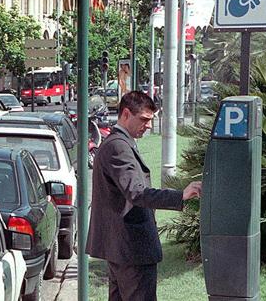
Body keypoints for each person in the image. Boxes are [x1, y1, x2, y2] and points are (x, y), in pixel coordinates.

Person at [86, 91, 202, 301]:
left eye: (150, 120)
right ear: (126, 114)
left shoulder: (118, 142)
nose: (148, 126)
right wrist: (180, 196)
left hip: (123, 248)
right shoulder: (118, 147)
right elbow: (137, 192)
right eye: (144, 119)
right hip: (132, 249)